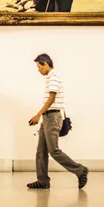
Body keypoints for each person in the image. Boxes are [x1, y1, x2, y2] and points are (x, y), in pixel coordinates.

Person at [27, 53, 88, 189]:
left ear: (45, 64)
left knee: (54, 150)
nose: (38, 70)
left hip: (52, 117)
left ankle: (80, 170)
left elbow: (52, 98)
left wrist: (38, 114)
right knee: (41, 151)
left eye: (39, 67)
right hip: (48, 117)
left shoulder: (54, 76)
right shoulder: (50, 77)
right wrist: (41, 116)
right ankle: (43, 180)